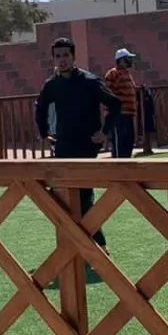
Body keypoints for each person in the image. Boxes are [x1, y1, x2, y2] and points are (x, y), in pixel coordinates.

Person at [34, 37, 121, 248]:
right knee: (61, 196)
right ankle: (75, 244)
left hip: (86, 146)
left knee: (83, 197)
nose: (62, 60)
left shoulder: (89, 81)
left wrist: (104, 132)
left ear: (73, 56)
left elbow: (115, 104)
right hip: (63, 145)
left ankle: (99, 246)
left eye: (66, 55)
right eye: (58, 56)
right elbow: (40, 108)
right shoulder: (52, 84)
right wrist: (44, 134)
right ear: (53, 59)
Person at [103, 49, 140, 158]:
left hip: (128, 114)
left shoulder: (127, 74)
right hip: (118, 115)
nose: (130, 61)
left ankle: (127, 165)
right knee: (119, 143)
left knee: (128, 142)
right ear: (121, 60)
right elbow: (108, 93)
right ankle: (118, 166)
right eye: (128, 58)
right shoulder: (113, 73)